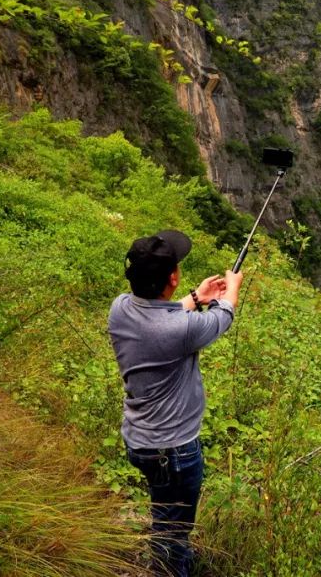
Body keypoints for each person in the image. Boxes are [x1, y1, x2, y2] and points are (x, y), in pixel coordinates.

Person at [108, 229, 243, 576]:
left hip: (139, 439)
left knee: (165, 510)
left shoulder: (121, 308)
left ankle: (173, 553)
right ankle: (171, 566)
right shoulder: (180, 331)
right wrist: (231, 289)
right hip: (173, 450)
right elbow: (223, 317)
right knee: (174, 529)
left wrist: (196, 297)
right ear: (172, 278)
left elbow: (164, 317)